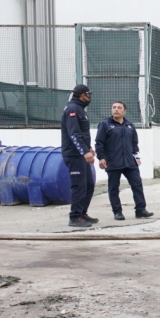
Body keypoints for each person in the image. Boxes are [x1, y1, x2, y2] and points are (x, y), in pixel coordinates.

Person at [95, 101, 153, 222]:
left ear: (124, 111)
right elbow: (99, 143)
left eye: (119, 108)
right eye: (114, 107)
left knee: (137, 185)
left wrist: (136, 156)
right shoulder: (105, 124)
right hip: (113, 162)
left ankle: (140, 210)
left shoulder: (130, 126)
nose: (116, 109)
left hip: (130, 163)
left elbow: (134, 143)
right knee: (113, 188)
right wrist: (101, 158)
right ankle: (117, 212)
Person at [60, 84, 97, 228]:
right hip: (74, 154)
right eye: (88, 95)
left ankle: (82, 213)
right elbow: (74, 134)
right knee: (79, 186)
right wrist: (84, 151)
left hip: (80, 153)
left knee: (88, 185)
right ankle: (75, 217)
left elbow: (82, 133)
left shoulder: (80, 109)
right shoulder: (73, 110)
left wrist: (88, 148)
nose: (89, 98)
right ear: (83, 96)